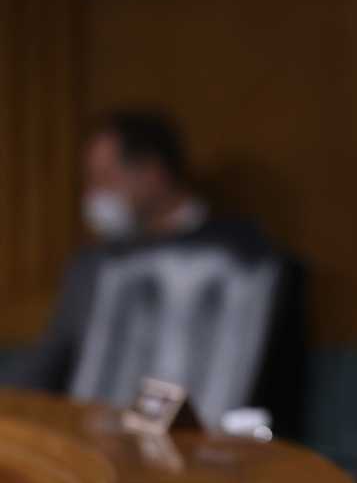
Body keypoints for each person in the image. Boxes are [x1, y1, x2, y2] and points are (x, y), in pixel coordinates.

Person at [1, 110, 306, 436]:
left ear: (153, 173)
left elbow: (269, 389)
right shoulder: (94, 268)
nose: (94, 194)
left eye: (106, 178)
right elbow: (46, 362)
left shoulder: (246, 263)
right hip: (97, 449)